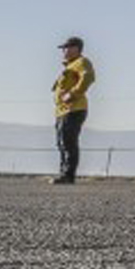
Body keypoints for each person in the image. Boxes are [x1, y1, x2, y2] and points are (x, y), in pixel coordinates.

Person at [50, 37, 95, 184]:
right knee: (62, 143)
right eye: (63, 48)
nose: (64, 50)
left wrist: (73, 93)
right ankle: (64, 174)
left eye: (67, 47)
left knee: (68, 142)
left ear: (77, 48)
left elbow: (88, 76)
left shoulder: (81, 62)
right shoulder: (69, 66)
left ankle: (68, 176)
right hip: (63, 111)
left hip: (74, 109)